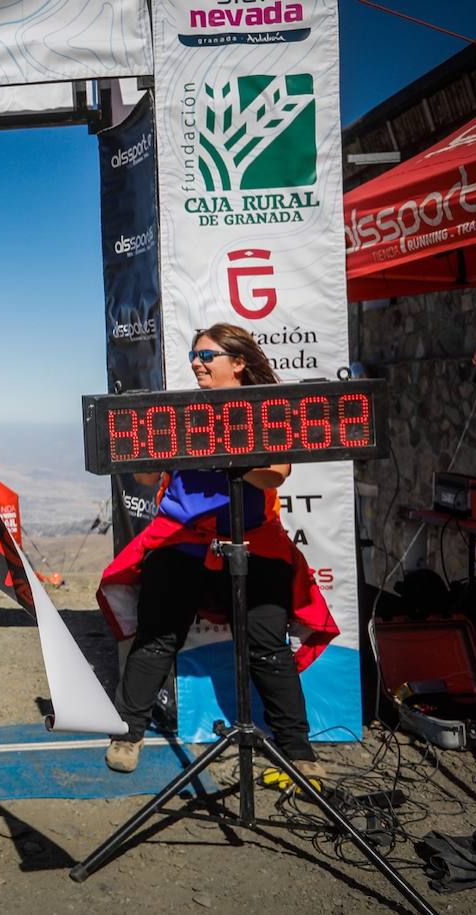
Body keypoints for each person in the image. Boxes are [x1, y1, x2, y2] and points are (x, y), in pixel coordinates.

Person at [99, 324, 329, 781]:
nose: (196, 363)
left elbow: (275, 475)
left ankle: (297, 748)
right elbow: (147, 481)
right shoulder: (180, 411)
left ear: (238, 363)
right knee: (158, 634)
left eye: (207, 355)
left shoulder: (264, 409)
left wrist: (233, 457)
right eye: (193, 354)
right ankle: (129, 733)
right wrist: (141, 452)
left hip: (252, 539)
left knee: (267, 645)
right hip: (182, 539)